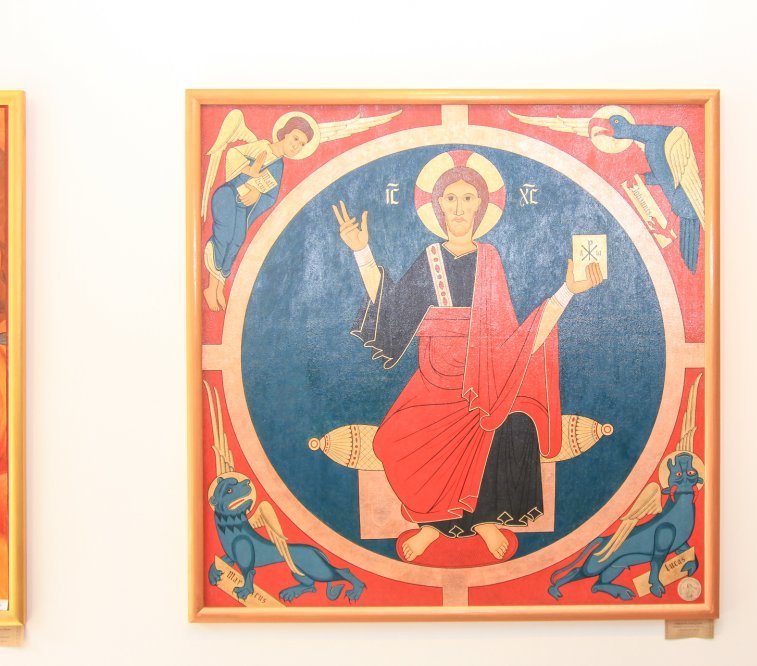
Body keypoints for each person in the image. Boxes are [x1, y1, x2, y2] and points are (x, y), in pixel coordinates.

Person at [334, 157, 604, 561]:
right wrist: (361, 252)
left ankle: (483, 520)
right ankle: (430, 522)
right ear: (438, 205)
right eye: (450, 198)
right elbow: (391, 312)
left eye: (468, 198)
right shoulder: (430, 258)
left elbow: (512, 339)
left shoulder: (489, 259)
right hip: (434, 375)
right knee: (392, 441)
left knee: (506, 417)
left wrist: (567, 291)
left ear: (481, 206)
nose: (459, 207)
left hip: (485, 373)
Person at [203, 117, 313, 311]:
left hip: (241, 205)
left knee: (237, 240)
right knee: (224, 237)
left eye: (302, 144)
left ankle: (220, 287)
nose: (296, 146)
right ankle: (211, 289)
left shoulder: (278, 166)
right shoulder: (262, 147)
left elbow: (270, 196)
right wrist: (249, 171)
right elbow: (233, 154)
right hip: (227, 196)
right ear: (285, 133)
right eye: (295, 138)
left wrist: (257, 194)